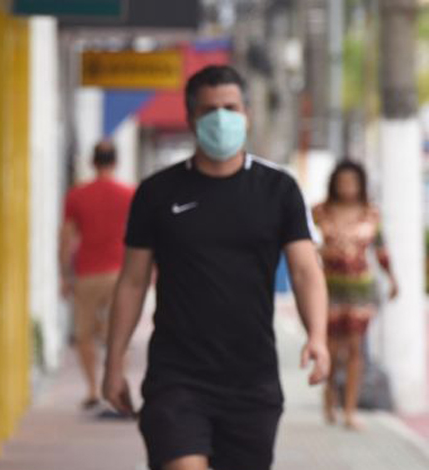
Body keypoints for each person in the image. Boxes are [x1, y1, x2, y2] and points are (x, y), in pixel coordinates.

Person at [102, 65, 331, 470]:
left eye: (231, 107)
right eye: (210, 110)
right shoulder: (157, 192)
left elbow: (305, 270)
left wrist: (318, 336)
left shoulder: (278, 189)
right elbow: (133, 282)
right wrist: (113, 364)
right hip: (177, 377)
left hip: (252, 378)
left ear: (247, 114)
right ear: (191, 119)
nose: (222, 118)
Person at [313, 161, 398, 430]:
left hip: (360, 289)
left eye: (352, 182)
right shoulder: (319, 211)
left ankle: (349, 410)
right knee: (331, 349)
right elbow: (304, 244)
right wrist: (319, 254)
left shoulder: (371, 214)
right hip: (328, 288)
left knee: (355, 349)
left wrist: (392, 277)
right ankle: (329, 397)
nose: (347, 187)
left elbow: (381, 250)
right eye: (342, 181)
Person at [60, 141, 135, 410]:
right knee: (118, 334)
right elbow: (141, 239)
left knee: (85, 335)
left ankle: (92, 388)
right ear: (116, 162)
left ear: (93, 162)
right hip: (120, 273)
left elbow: (66, 238)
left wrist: (64, 276)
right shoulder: (129, 194)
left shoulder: (77, 195)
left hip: (88, 274)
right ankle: (116, 385)